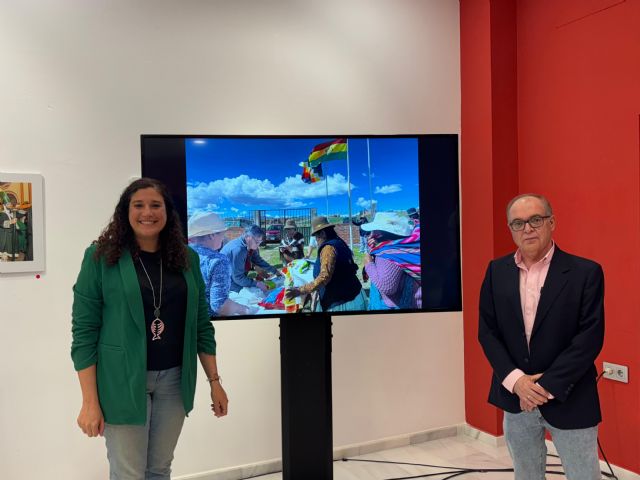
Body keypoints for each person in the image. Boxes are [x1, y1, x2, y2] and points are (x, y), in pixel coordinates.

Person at [71, 178, 229, 480]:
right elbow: (84, 332)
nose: (148, 212)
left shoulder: (188, 259)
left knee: (159, 469)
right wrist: (89, 402)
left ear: (167, 212)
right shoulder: (100, 257)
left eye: (156, 205)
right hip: (121, 381)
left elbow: (201, 325)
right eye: (139, 205)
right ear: (125, 211)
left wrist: (215, 381)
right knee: (128, 473)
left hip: (174, 381)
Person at [478, 193, 604, 480]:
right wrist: (518, 382)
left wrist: (542, 388)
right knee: (526, 475)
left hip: (570, 396)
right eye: (518, 223)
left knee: (584, 475)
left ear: (552, 222)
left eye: (535, 220)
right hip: (515, 397)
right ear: (511, 229)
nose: (527, 229)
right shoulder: (496, 271)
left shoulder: (585, 272)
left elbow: (589, 338)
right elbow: (487, 332)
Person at [285, 216, 366, 312]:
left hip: (342, 300)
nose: (316, 240)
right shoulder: (338, 241)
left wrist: (300, 290)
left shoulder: (328, 248)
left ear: (323, 234)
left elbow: (324, 277)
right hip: (352, 292)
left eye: (316, 237)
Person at [188, 212, 249, 316]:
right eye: (221, 233)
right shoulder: (218, 260)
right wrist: (244, 309)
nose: (223, 237)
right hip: (206, 321)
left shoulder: (181, 254)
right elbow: (220, 305)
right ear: (212, 235)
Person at [361, 212, 421, 310]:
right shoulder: (406, 246)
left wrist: (369, 264)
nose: (372, 233)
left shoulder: (388, 253)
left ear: (379, 233)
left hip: (394, 307)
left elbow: (387, 287)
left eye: (374, 230)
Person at [220, 224, 281, 293]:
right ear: (248, 237)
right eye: (257, 242)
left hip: (235, 280)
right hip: (227, 284)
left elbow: (258, 261)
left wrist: (275, 271)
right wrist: (256, 283)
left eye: (260, 242)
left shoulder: (248, 245)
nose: (258, 245)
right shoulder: (238, 250)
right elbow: (237, 278)